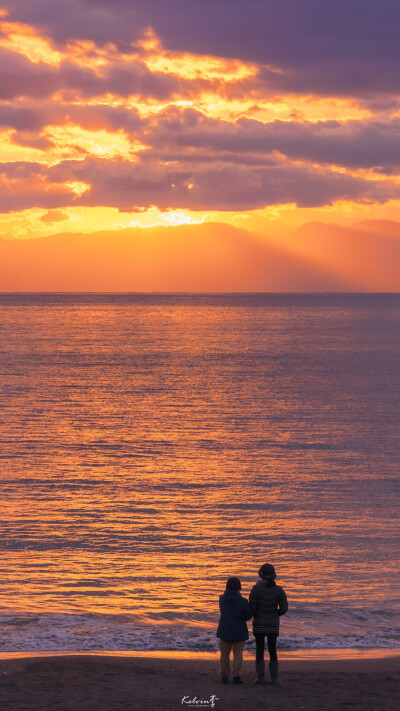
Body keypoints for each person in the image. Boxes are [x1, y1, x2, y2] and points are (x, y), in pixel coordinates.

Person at [249, 563, 288, 684]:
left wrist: (256, 614)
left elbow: (252, 607)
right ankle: (274, 678)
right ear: (274, 575)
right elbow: (284, 608)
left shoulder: (256, 589)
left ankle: (260, 677)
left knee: (259, 650)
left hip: (259, 623)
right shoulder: (279, 590)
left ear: (261, 575)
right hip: (273, 624)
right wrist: (276, 614)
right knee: (273, 650)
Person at [216, 576, 253, 684]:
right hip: (239, 630)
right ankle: (236, 676)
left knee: (224, 654)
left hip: (224, 629)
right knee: (238, 655)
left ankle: (224, 676)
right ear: (239, 587)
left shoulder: (221, 599)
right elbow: (248, 616)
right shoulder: (243, 601)